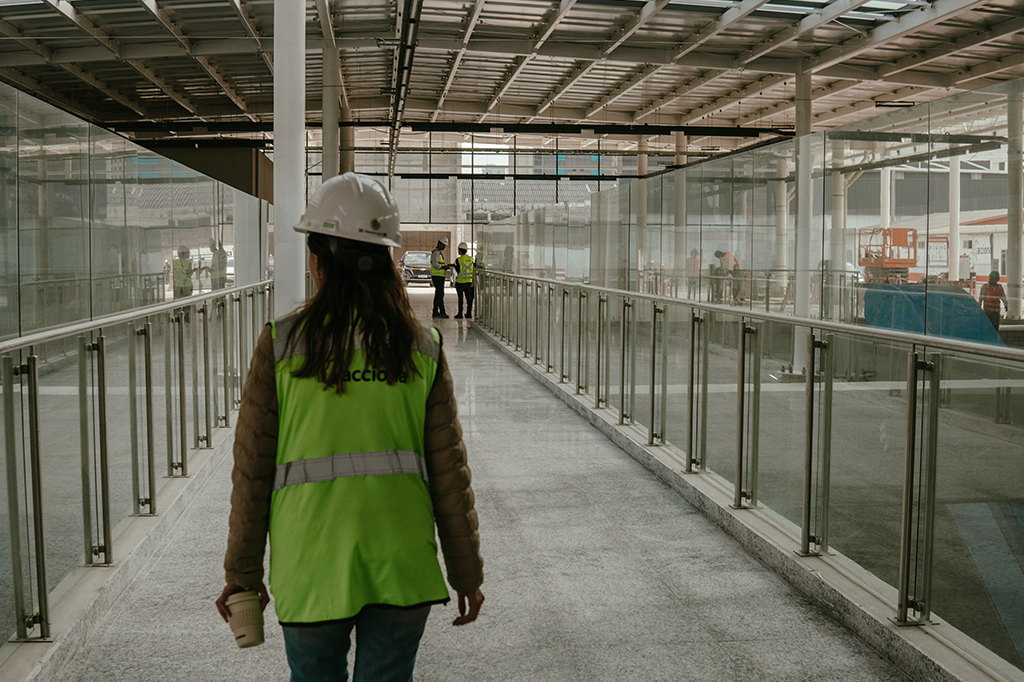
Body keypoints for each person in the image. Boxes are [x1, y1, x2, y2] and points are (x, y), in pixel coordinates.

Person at [216, 172, 484, 682]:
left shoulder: (280, 344)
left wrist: (242, 575)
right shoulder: (422, 346)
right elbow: (450, 473)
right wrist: (466, 570)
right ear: (386, 262)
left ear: (317, 261)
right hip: (403, 564)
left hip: (311, 564)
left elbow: (252, 473)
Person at [454, 242, 475, 319]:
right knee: (469, 298)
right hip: (469, 282)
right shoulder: (471, 259)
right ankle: (469, 313)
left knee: (460, 298)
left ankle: (460, 314)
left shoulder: (458, 260)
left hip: (460, 282)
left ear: (459, 250)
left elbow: (458, 270)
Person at [431, 236, 450, 318]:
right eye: (444, 245)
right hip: (437, 276)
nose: (444, 247)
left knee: (439, 294)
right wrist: (444, 267)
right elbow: (435, 265)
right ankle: (441, 312)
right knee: (440, 294)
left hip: (439, 276)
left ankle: (436, 311)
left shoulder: (438, 252)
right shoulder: (436, 253)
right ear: (440, 244)